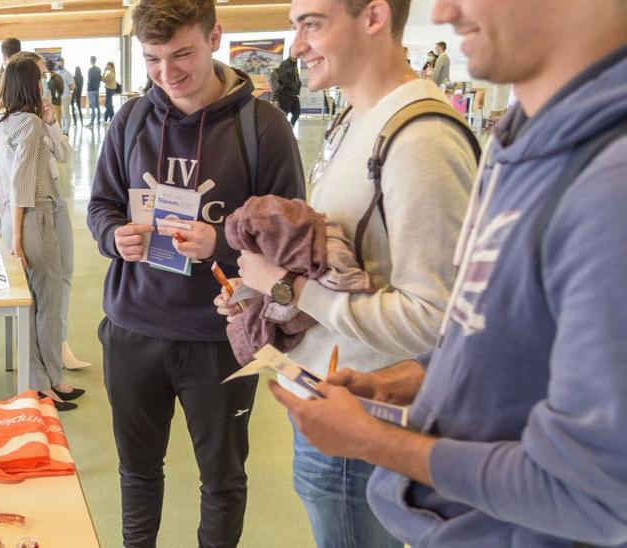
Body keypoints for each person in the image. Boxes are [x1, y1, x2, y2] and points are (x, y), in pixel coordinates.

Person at [268, 0, 627, 546]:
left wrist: (371, 441)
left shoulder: (604, 183)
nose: (445, 10)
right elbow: (488, 334)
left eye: (312, 24)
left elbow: (594, 492)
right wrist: (399, 380)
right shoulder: (525, 148)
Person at [218, 0, 477, 546]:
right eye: (295, 27)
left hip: (365, 416)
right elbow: (341, 264)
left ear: (374, 17)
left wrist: (286, 287)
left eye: (312, 25)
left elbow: (436, 321)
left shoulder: (420, 139)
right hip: (326, 396)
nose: (296, 47)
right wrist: (259, 292)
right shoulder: (357, 118)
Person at [86, 0, 305, 543]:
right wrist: (114, 237)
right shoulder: (131, 119)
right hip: (133, 328)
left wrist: (225, 241)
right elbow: (101, 206)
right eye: (153, 59)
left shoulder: (263, 127)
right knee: (137, 473)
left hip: (221, 337)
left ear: (215, 37)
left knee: (223, 481)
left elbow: (291, 238)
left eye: (182, 53)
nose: (168, 73)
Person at [0, 59, 82, 411]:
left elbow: (7, 178)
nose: (44, 86)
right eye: (40, 81)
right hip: (33, 216)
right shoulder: (27, 124)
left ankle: (46, 381)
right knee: (49, 297)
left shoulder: (3, 122)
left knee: (33, 302)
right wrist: (17, 235)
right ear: (31, 84)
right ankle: (47, 383)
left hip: (15, 218)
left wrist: (10, 230)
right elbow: (21, 183)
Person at [273, 55, 302, 125]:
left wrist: (298, 85)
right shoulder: (285, 64)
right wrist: (293, 86)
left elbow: (295, 77)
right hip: (285, 94)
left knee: (296, 113)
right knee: (284, 115)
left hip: (293, 94)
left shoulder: (294, 64)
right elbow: (283, 78)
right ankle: (284, 131)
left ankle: (290, 129)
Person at [56, 57, 76, 134]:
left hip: (65, 96)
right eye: (58, 63)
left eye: (60, 63)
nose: (59, 64)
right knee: (60, 113)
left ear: (63, 63)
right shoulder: (57, 73)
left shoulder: (67, 73)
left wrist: (66, 90)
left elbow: (73, 86)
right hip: (59, 96)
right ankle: (62, 129)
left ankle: (66, 130)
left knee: (65, 112)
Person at [46, 59, 66, 130]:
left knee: (50, 124)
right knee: (57, 122)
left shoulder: (45, 78)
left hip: (48, 103)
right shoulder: (58, 77)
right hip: (57, 102)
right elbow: (61, 90)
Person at [87, 57, 103, 123]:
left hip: (91, 90)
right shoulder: (99, 69)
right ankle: (98, 121)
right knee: (98, 106)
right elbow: (100, 79)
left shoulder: (90, 70)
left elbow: (89, 80)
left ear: (91, 61)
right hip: (97, 89)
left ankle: (92, 122)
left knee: (93, 107)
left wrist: (88, 88)